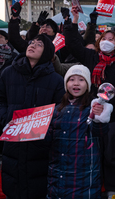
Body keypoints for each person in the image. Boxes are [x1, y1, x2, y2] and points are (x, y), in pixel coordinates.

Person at [64, 6, 115, 199]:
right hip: (90, 114)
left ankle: (113, 188)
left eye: (111, 40)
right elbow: (72, 44)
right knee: (90, 153)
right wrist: (73, 19)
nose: (106, 42)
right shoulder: (92, 58)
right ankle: (93, 185)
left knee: (111, 155)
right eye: (104, 38)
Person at [0, 34, 65, 199]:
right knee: (13, 187)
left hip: (40, 145)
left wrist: (43, 126)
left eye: (39, 44)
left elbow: (61, 110)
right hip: (13, 143)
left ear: (47, 53)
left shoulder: (56, 80)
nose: (33, 45)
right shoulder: (9, 72)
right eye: (32, 42)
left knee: (37, 188)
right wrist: (7, 119)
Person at [46, 65, 111, 198]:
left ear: (87, 85)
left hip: (84, 177)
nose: (76, 83)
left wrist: (99, 118)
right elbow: (48, 139)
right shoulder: (56, 110)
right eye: (71, 79)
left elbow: (101, 132)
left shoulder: (93, 108)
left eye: (81, 79)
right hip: (58, 175)